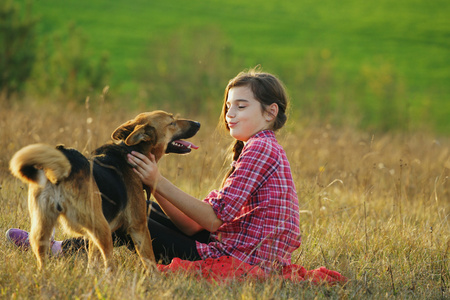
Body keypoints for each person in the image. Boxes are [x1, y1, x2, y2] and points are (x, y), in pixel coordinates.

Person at [6, 68, 301, 272]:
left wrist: (157, 182)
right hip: (234, 244)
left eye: (241, 106)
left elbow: (212, 221)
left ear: (270, 112)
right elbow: (193, 226)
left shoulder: (261, 149)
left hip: (239, 257)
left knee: (127, 220)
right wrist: (149, 187)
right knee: (142, 212)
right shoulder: (261, 146)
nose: (230, 114)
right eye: (227, 106)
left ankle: (59, 249)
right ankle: (66, 246)